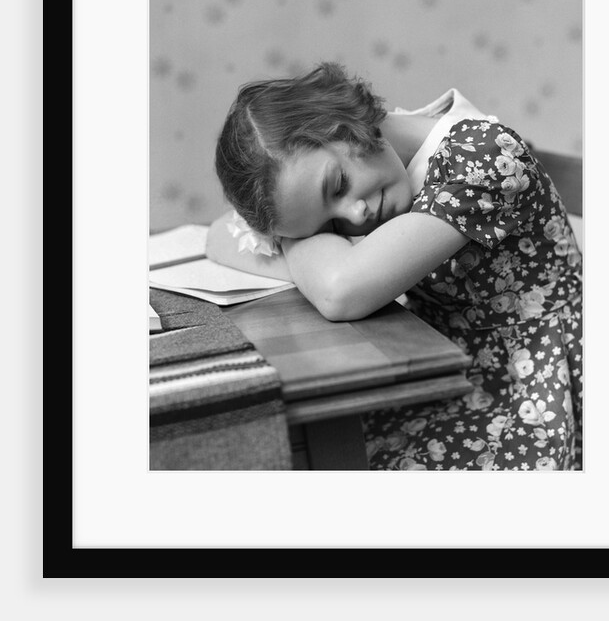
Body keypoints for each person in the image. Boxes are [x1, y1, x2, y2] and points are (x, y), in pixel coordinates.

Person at [207, 62, 582, 470]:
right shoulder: (383, 163)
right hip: (436, 359)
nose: (355, 215)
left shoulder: (482, 157)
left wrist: (299, 244)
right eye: (329, 225)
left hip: (534, 379)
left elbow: (339, 293)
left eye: (336, 186)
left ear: (345, 126)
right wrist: (315, 247)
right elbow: (217, 235)